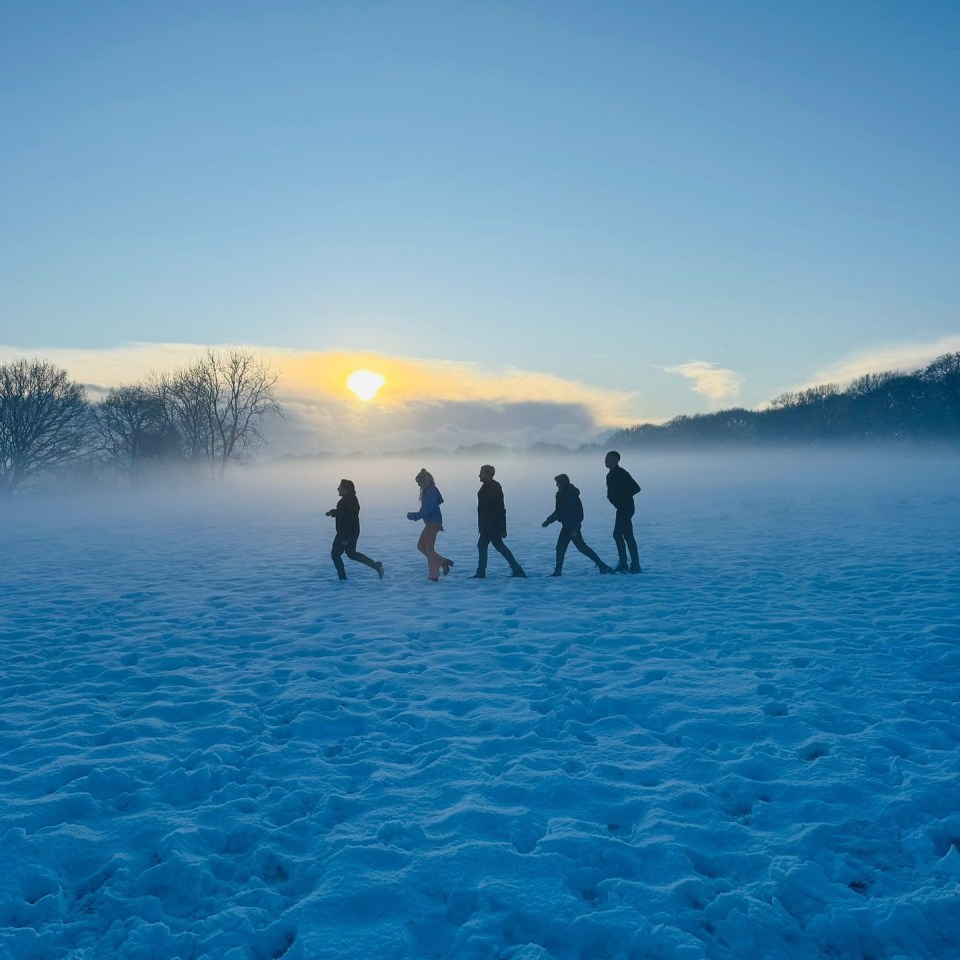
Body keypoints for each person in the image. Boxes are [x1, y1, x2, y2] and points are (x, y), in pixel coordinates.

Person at [541, 473, 613, 576]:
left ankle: (602, 566)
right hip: (566, 526)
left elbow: (578, 514)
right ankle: (558, 571)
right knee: (566, 548)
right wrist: (548, 521)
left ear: (562, 483)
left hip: (571, 527)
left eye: (557, 483)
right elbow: (559, 512)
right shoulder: (561, 495)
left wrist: (575, 529)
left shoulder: (570, 495)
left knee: (579, 548)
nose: (556, 485)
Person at [471, 464, 526, 579]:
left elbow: (501, 509)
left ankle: (482, 573)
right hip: (487, 525)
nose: (479, 475)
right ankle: (516, 570)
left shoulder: (494, 487)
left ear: (488, 474)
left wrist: (502, 529)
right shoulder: (486, 486)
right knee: (490, 546)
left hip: (492, 526)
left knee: (491, 546)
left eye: (481, 473)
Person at [325, 479, 384, 581]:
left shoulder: (346, 501)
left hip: (346, 533)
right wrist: (332, 513)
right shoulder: (351, 499)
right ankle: (376, 566)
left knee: (335, 554)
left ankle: (342, 579)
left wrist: (344, 537)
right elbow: (343, 513)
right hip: (352, 532)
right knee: (352, 554)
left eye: (340, 487)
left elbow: (347, 519)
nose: (338, 488)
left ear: (346, 489)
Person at [407, 468, 453, 582]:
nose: (418, 485)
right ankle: (443, 562)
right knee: (421, 546)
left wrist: (415, 516)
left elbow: (428, 509)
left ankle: (434, 575)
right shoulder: (429, 491)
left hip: (433, 523)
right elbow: (436, 503)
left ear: (425, 481)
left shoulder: (431, 491)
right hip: (430, 523)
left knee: (429, 549)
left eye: (419, 483)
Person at [605, 450, 642, 574]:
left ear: (615, 460)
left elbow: (635, 488)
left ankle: (633, 564)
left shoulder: (621, 473)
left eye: (608, 459)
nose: (605, 461)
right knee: (620, 535)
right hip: (621, 508)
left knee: (626, 536)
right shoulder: (610, 474)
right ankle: (625, 563)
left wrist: (621, 497)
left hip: (626, 508)